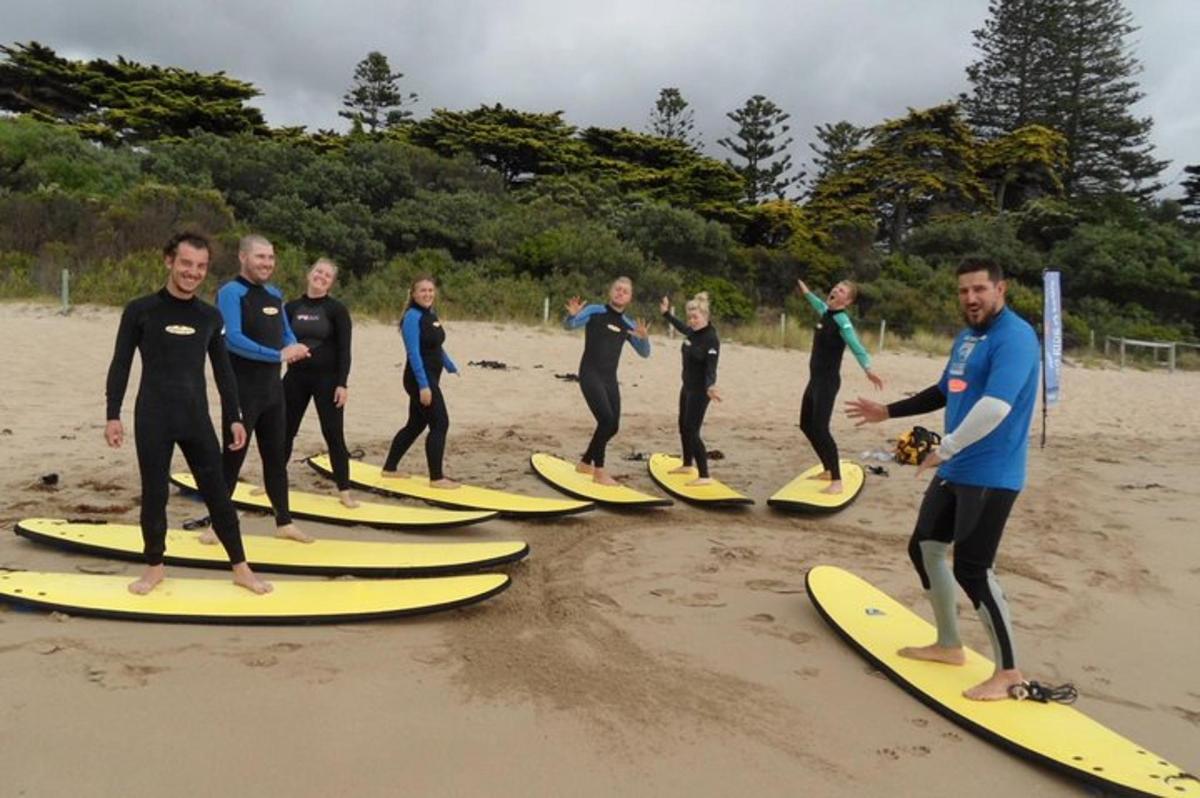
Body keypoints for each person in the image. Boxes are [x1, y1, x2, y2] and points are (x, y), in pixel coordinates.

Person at [845, 258, 1040, 701]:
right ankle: (949, 644)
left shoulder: (1016, 338)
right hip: (956, 468)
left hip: (992, 472)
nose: (970, 298)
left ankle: (1009, 672)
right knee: (925, 548)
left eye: (979, 290)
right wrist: (888, 411)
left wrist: (945, 447)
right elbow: (943, 389)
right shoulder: (969, 337)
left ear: (1000, 289)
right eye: (963, 291)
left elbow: (995, 407)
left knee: (974, 570)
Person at [104, 232, 271, 595]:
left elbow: (224, 372)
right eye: (185, 264)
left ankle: (241, 568)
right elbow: (121, 364)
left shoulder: (209, 317)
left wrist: (234, 417)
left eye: (200, 266)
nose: (192, 272)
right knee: (154, 494)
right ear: (169, 261)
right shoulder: (140, 310)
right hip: (153, 416)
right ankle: (154, 568)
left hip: (196, 418)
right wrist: (112, 413)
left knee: (217, 493)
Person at [212, 234, 313, 543]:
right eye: (260, 257)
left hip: (272, 392)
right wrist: (278, 355)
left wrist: (294, 345)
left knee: (275, 457)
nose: (267, 263)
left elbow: (284, 331)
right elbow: (232, 339)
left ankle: (284, 522)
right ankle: (215, 526)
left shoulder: (273, 294)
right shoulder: (230, 292)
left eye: (270, 258)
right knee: (232, 460)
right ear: (243, 257)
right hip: (242, 393)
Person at [797, 278, 884, 494]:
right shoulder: (826, 312)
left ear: (848, 300)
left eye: (841, 290)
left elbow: (856, 345)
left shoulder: (842, 321)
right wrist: (806, 290)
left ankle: (837, 481)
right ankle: (827, 469)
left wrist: (868, 369)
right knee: (805, 425)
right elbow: (817, 303)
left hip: (827, 382)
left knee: (821, 429)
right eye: (835, 287)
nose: (835, 289)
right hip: (814, 380)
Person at [282, 258, 356, 508]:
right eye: (318, 272)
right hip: (294, 379)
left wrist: (342, 384)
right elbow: (281, 342)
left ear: (331, 283)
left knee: (333, 434)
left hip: (328, 381)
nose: (321, 277)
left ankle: (344, 490)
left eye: (327, 276)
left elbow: (345, 350)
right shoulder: (290, 308)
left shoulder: (337, 310)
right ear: (309, 273)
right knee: (284, 432)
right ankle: (272, 481)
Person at [563, 277, 651, 485]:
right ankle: (599, 472)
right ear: (610, 292)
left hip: (610, 379)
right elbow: (570, 325)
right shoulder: (595, 311)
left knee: (613, 427)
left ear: (630, 298)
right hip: (590, 374)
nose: (620, 293)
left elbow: (644, 353)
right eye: (617, 289)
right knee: (606, 421)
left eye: (625, 291)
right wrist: (571, 315)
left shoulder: (628, 324)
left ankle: (585, 462)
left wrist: (644, 338)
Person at [381, 275, 460, 488]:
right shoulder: (412, 317)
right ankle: (436, 478)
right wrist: (424, 385)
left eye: (430, 290)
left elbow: (435, 346)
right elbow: (414, 353)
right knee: (440, 423)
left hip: (430, 377)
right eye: (422, 291)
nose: (427, 294)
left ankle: (389, 468)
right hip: (419, 378)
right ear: (413, 294)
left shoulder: (431, 314)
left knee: (415, 424)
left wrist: (449, 364)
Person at [659, 292, 722, 485]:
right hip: (686, 387)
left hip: (700, 391)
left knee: (692, 430)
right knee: (683, 426)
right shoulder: (693, 332)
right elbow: (682, 327)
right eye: (690, 317)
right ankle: (687, 464)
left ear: (706, 317)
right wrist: (666, 314)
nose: (692, 321)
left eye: (696, 317)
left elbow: (711, 367)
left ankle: (704, 476)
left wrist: (711, 386)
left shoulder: (711, 339)